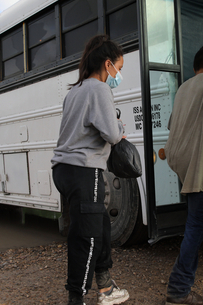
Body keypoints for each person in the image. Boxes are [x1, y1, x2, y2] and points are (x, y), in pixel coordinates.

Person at [51, 35, 130, 305]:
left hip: (64, 169)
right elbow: (110, 132)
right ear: (107, 64)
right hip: (84, 170)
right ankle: (77, 297)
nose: (118, 74)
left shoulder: (75, 90)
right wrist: (120, 128)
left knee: (100, 227)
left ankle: (106, 287)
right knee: (88, 236)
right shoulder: (98, 89)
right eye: (118, 68)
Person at [164, 46, 203, 305]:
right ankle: (178, 288)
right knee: (197, 225)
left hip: (181, 159)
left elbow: (172, 123)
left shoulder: (184, 87)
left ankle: (183, 283)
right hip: (198, 160)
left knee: (197, 221)